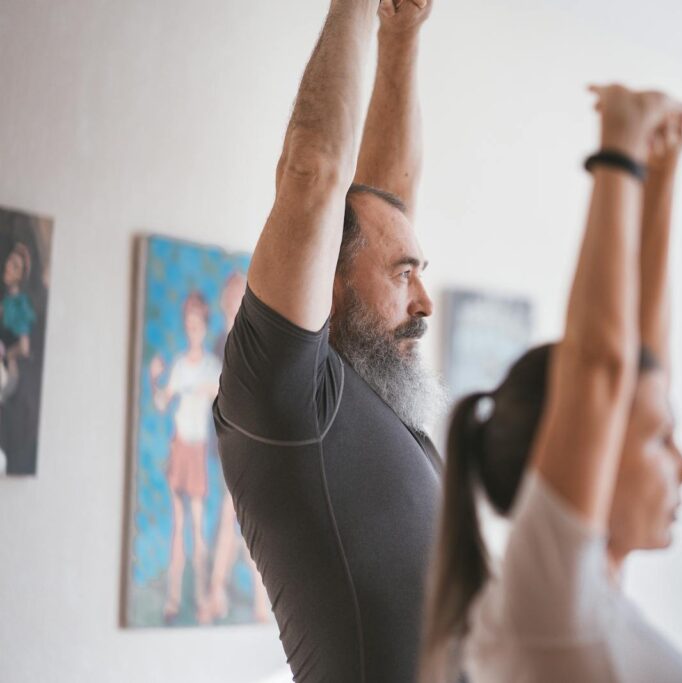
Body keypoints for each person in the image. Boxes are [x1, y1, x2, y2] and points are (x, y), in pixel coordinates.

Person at [421, 84, 682, 682]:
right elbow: (602, 366)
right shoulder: (545, 611)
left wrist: (660, 178)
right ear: (590, 450)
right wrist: (618, 154)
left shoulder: (584, 606)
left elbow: (635, 368)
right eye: (662, 441)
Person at [214, 1, 444, 680]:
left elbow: (386, 198)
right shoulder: (282, 398)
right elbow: (315, 173)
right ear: (329, 281)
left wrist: (399, 37)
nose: (425, 301)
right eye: (404, 275)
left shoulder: (375, 393)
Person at [149, 291, 221, 622]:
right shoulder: (179, 365)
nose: (193, 329)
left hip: (197, 448)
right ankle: (174, 600)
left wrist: (203, 389)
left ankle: (202, 596)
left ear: (204, 326)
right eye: (189, 324)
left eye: (198, 324)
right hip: (180, 446)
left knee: (197, 527)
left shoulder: (212, 367)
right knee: (179, 527)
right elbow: (162, 402)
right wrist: (154, 379)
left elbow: (219, 395)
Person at [203, 272, 270, 624]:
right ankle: (228, 596)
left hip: (249, 447)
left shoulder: (254, 346)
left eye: (239, 293)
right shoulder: (219, 344)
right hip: (228, 444)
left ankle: (221, 594)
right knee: (235, 521)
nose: (234, 299)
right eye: (230, 293)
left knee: (238, 522)